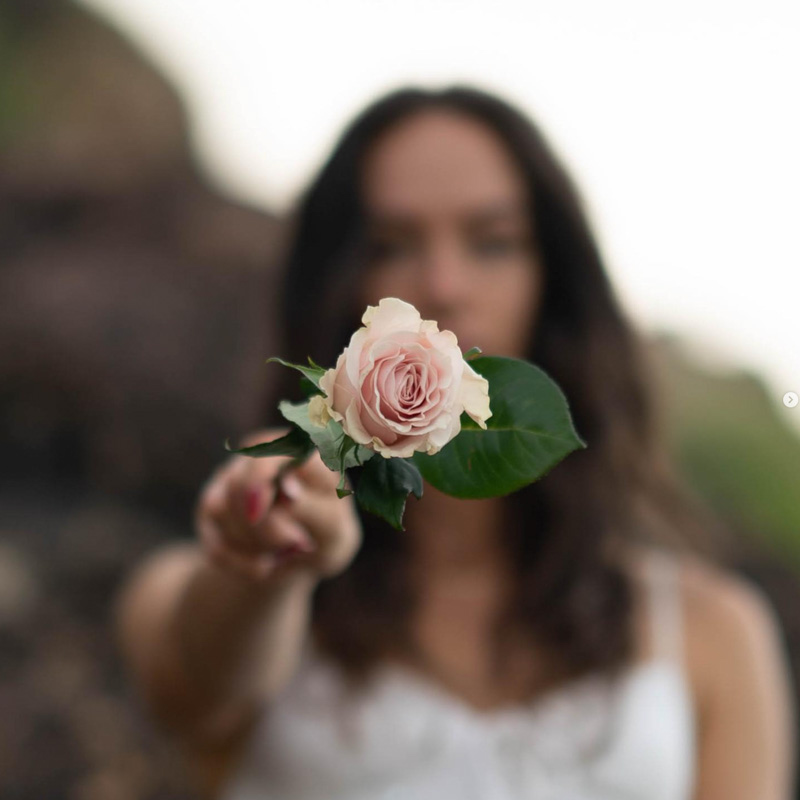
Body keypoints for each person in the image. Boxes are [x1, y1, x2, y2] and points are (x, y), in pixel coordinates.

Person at [115, 86, 796, 799]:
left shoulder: (709, 632)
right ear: (335, 286)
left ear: (552, 285)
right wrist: (272, 560)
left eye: (492, 242)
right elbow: (195, 693)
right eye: (389, 246)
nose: (441, 286)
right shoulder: (221, 602)